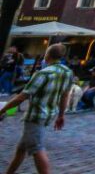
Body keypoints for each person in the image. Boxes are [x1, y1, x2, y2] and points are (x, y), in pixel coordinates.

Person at [0, 43, 73, 174]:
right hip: (49, 115)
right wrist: (61, 115)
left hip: (36, 115)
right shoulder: (67, 72)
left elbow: (21, 97)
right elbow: (65, 95)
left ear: (48, 55)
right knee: (22, 148)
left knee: (36, 148)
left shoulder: (43, 74)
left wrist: (2, 110)